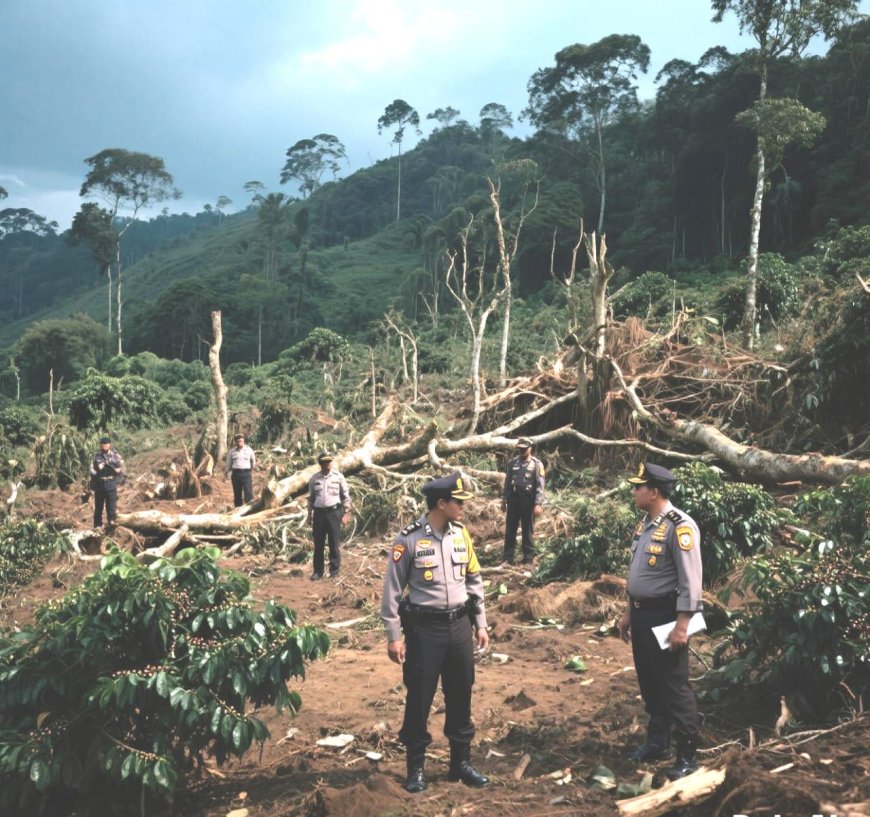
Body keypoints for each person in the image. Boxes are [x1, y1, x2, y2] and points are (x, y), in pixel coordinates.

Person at [381, 472, 490, 793]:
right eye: (458, 502)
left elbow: (474, 580)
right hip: (424, 631)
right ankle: (416, 768)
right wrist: (393, 635)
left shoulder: (461, 535)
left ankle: (461, 763)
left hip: (459, 627)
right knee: (420, 696)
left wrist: (480, 622)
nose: (463, 507)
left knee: (461, 693)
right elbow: (392, 590)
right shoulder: (409, 539)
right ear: (441, 503)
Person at [618, 462, 703, 780]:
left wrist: (683, 623)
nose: (634, 491)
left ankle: (687, 753)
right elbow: (637, 575)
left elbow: (692, 580)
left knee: (673, 684)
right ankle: (658, 743)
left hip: (667, 616)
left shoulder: (680, 526)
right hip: (642, 614)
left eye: (638, 487)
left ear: (654, 491)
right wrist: (629, 611)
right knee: (649, 681)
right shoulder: (645, 525)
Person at [306, 453, 351, 580]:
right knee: (318, 544)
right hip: (319, 514)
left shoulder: (338, 477)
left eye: (329, 462)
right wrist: (309, 515)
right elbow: (311, 498)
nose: (327, 464)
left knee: (333, 543)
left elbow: (345, 496)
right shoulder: (315, 479)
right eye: (324, 462)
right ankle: (318, 572)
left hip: (334, 513)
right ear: (320, 464)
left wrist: (347, 512)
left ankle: (334, 571)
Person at [501, 437, 545, 564]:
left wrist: (538, 504)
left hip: (527, 501)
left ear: (530, 448)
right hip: (513, 500)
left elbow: (540, 486)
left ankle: (528, 558)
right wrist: (504, 500)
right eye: (520, 449)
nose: (521, 451)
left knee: (527, 530)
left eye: (524, 449)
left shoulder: (537, 464)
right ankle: (508, 558)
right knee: (510, 530)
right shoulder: (513, 463)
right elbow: (507, 483)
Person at [89, 436, 125, 529]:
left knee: (111, 506)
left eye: (106, 443)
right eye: (103, 444)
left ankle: (111, 525)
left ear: (110, 444)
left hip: (111, 482)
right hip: (100, 483)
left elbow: (121, 469)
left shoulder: (116, 455)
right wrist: (98, 474)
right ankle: (97, 527)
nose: (104, 445)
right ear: (100, 445)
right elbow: (91, 469)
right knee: (98, 508)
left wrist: (112, 470)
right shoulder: (96, 456)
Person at [225, 433, 256, 507]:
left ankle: (250, 509)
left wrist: (251, 469)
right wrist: (226, 472)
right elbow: (228, 463)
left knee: (248, 493)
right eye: (237, 439)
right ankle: (237, 510)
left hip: (246, 474)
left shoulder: (249, 450)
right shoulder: (232, 451)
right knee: (237, 494)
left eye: (241, 438)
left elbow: (253, 461)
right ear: (235, 441)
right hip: (236, 475)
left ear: (243, 440)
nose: (239, 440)